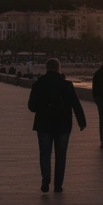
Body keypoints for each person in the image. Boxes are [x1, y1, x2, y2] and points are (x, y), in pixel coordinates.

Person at [28, 58, 86, 193]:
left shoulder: (39, 83)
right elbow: (76, 104)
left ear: (46, 68)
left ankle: (46, 178)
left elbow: (32, 107)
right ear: (59, 68)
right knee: (61, 155)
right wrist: (81, 122)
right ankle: (58, 184)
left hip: (43, 124)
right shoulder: (67, 84)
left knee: (44, 153)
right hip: (63, 125)